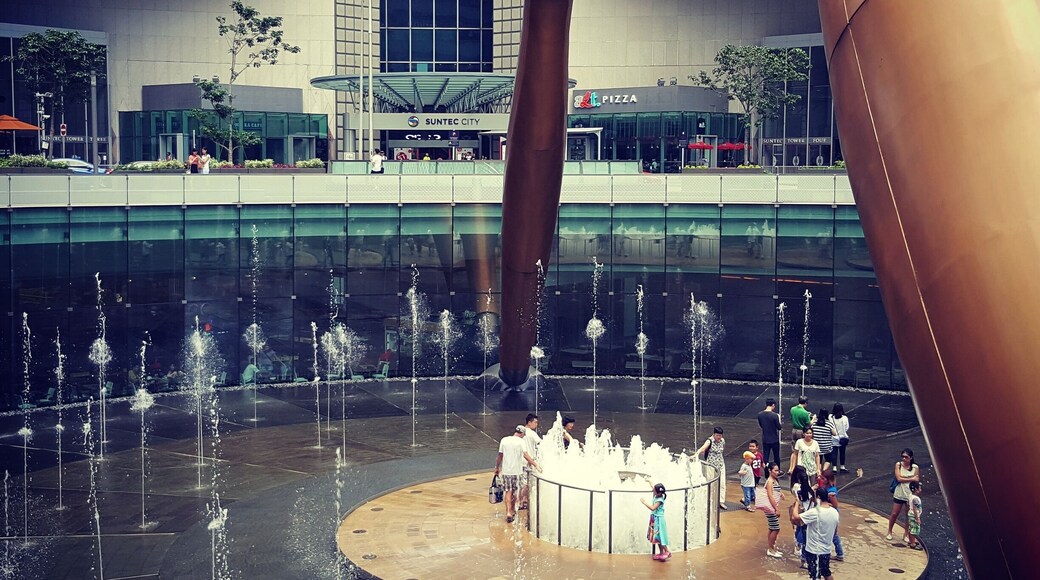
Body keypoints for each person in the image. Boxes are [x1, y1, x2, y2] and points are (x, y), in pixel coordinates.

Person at [494, 425, 540, 524]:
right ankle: (513, 510)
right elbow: (526, 455)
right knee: (514, 491)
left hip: (506, 471)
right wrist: (535, 464)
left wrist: (497, 468)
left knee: (508, 491)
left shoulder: (504, 440)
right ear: (522, 434)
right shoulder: (521, 441)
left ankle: (508, 512)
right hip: (517, 471)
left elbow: (500, 456)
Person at [792, 487, 840, 580]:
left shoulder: (815, 512)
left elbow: (795, 517)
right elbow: (835, 532)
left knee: (815, 576)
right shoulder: (835, 512)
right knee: (826, 573)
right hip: (826, 550)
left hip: (814, 551)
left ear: (818, 497)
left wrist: (797, 503)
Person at [886, 447, 919, 541]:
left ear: (911, 458)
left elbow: (916, 480)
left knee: (908, 514)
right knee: (895, 513)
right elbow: (899, 478)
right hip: (899, 492)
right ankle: (889, 531)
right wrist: (911, 479)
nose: (904, 459)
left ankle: (906, 534)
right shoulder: (898, 465)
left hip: (909, 493)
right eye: (903, 457)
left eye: (906, 457)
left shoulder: (915, 467)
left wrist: (916, 493)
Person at [695, 426, 727, 509]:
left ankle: (721, 501)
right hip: (711, 466)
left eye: (720, 435)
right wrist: (697, 453)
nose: (719, 437)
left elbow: (721, 451)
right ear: (714, 434)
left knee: (722, 483)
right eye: (717, 435)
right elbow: (703, 448)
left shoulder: (722, 441)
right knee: (712, 483)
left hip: (721, 465)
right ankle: (711, 500)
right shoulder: (709, 441)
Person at [641, 481, 671, 561]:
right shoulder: (657, 494)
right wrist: (648, 481)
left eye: (654, 490)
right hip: (654, 518)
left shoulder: (659, 500)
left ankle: (667, 551)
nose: (652, 491)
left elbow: (653, 508)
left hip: (659, 519)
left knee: (660, 537)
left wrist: (644, 502)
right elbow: (652, 486)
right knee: (656, 537)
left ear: (657, 492)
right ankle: (661, 553)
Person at [762, 462, 785, 558]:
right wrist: (776, 509)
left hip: (771, 506)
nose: (777, 472)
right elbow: (770, 496)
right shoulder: (770, 481)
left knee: (772, 527)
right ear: (770, 471)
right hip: (770, 507)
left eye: (777, 470)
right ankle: (771, 549)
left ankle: (771, 547)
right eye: (775, 470)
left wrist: (780, 493)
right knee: (776, 528)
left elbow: (774, 492)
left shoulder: (774, 480)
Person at [790, 465, 813, 559]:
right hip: (805, 511)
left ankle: (798, 546)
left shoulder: (795, 486)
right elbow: (810, 498)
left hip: (799, 509)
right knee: (803, 531)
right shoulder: (803, 488)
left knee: (798, 528)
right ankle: (801, 549)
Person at [519, 413, 541, 510]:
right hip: (529, 461)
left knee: (522, 482)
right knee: (526, 483)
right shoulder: (532, 433)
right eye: (535, 422)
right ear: (529, 422)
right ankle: (521, 502)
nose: (537, 425)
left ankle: (523, 501)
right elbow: (540, 443)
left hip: (520, 461)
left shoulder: (520, 432)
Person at [823, 467, 845, 561]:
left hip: (833, 513)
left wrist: (826, 502)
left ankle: (840, 554)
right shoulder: (826, 488)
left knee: (833, 535)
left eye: (824, 478)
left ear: (828, 480)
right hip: (828, 513)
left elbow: (835, 505)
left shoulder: (831, 491)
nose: (821, 479)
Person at [757, 398, 783, 468]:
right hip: (774, 439)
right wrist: (779, 419)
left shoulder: (760, 414)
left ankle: (766, 471)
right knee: (776, 456)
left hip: (765, 439)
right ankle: (777, 470)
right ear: (773, 405)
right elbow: (779, 427)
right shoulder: (775, 415)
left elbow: (761, 425)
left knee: (766, 456)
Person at [830, 403, 850, 473]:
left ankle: (834, 468)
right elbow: (847, 428)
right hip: (843, 438)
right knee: (842, 453)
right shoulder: (845, 418)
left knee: (834, 453)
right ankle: (842, 467)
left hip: (833, 438)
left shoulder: (830, 417)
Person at [907, 481, 923, 550]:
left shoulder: (910, 496)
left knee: (911, 528)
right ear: (916, 489)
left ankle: (910, 541)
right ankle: (913, 543)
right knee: (914, 530)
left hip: (910, 514)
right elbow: (915, 508)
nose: (920, 489)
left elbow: (908, 504)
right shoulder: (915, 499)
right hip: (914, 515)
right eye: (919, 488)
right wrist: (917, 518)